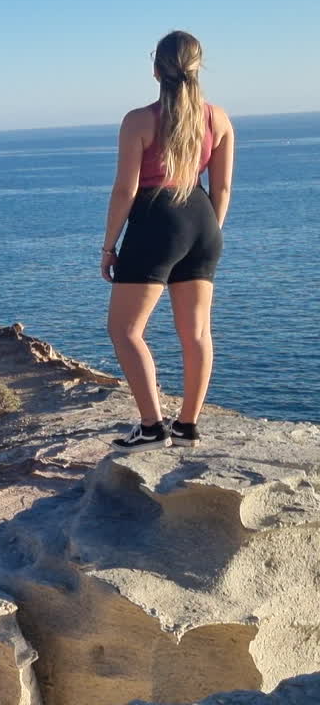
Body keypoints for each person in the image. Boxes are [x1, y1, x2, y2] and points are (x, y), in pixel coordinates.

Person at [100, 30, 235, 452]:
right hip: (203, 220)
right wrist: (208, 232)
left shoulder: (139, 120)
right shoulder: (218, 118)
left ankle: (152, 427)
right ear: (197, 67)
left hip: (157, 219)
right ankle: (188, 426)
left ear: (156, 69)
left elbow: (126, 189)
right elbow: (224, 189)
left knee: (124, 330)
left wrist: (109, 246)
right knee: (196, 333)